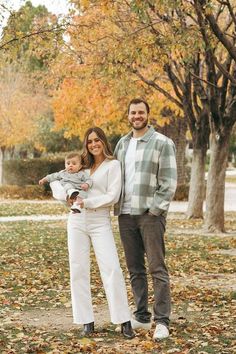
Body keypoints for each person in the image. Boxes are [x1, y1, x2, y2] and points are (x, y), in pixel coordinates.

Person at [114, 98, 177, 341]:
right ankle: (141, 316)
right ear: (128, 115)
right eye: (133, 112)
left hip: (150, 216)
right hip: (126, 215)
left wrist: (155, 210)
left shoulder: (162, 142)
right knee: (135, 269)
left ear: (147, 115)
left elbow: (169, 181)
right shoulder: (122, 143)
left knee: (157, 268)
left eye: (141, 112)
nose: (137, 116)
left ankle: (162, 321)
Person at [67, 127, 135, 339]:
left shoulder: (113, 165)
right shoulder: (82, 167)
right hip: (77, 220)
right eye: (89, 141)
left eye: (97, 140)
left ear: (104, 141)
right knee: (78, 269)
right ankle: (86, 320)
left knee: (112, 268)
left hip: (99, 221)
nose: (93, 144)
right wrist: (67, 196)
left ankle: (124, 320)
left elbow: (113, 195)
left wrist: (86, 202)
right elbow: (63, 184)